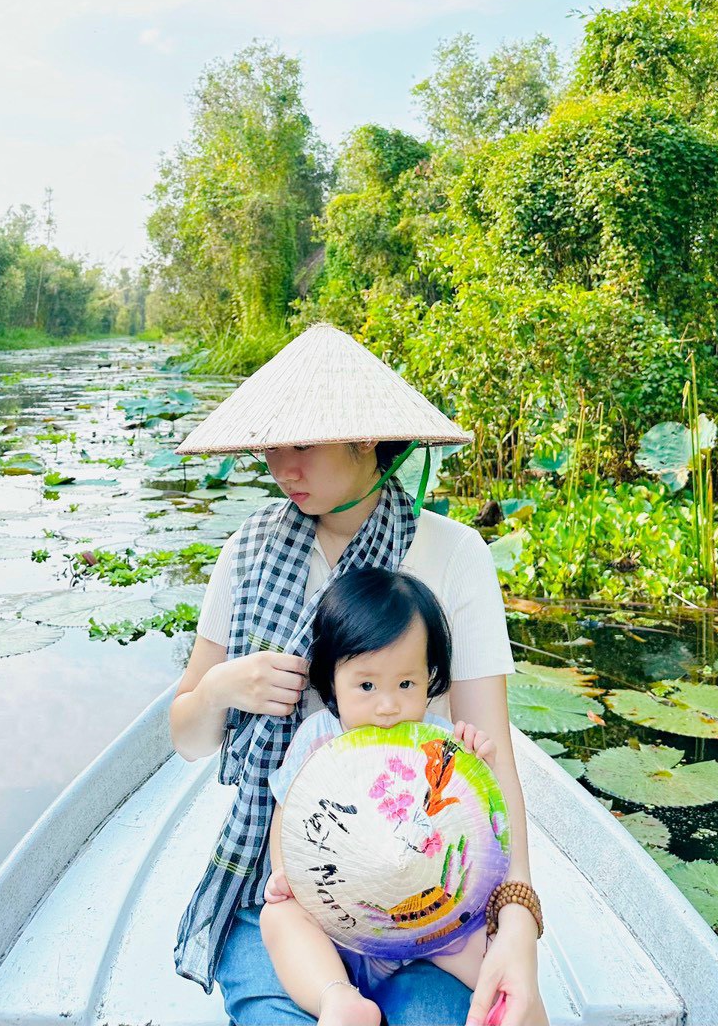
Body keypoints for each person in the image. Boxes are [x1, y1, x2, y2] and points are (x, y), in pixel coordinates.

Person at [168, 323, 547, 1026]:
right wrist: (225, 688)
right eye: (272, 445)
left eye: (303, 444)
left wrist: (517, 919)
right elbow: (187, 736)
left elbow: (494, 757)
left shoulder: (456, 556)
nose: (282, 465)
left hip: (425, 875)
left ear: (366, 438)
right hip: (279, 882)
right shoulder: (247, 554)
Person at [260, 567, 499, 1026]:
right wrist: (285, 872)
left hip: (424, 922)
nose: (388, 705)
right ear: (332, 678)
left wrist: (478, 766)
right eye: (367, 686)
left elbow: (474, 820)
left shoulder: (439, 741)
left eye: (405, 684)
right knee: (279, 918)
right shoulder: (318, 739)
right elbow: (288, 813)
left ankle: (497, 996)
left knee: (479, 934)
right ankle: (337, 998)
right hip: (336, 921)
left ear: (430, 677)